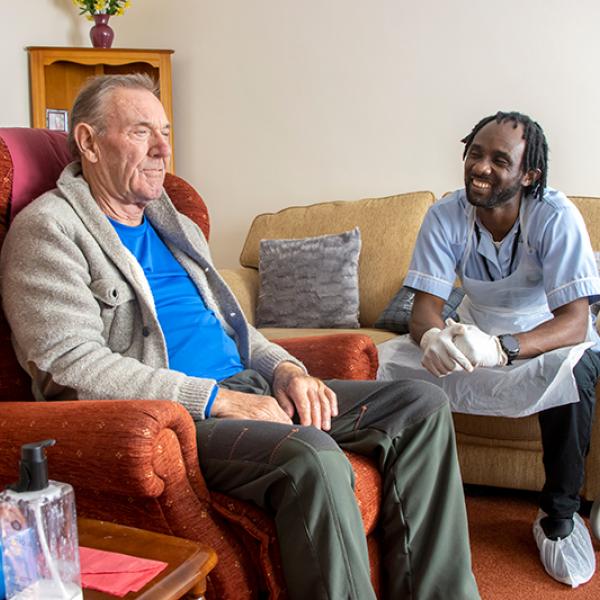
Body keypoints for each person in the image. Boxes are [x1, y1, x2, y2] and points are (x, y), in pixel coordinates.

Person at [0, 74, 480, 600]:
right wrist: (214, 398)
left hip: (247, 388)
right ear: (89, 142)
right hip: (184, 419)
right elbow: (69, 365)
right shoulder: (48, 230)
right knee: (311, 456)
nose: (163, 149)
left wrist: (286, 371)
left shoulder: (173, 223)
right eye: (142, 132)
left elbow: (235, 327)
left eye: (164, 132)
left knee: (421, 404)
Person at [377, 111, 600, 588]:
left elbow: (575, 322)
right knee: (383, 362)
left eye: (500, 160)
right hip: (474, 329)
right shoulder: (445, 215)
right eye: (475, 153)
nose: (481, 167)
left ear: (529, 175)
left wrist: (503, 349)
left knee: (574, 372)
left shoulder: (555, 217)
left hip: (544, 335)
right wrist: (435, 338)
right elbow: (424, 312)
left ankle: (558, 516)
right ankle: (389, 496)